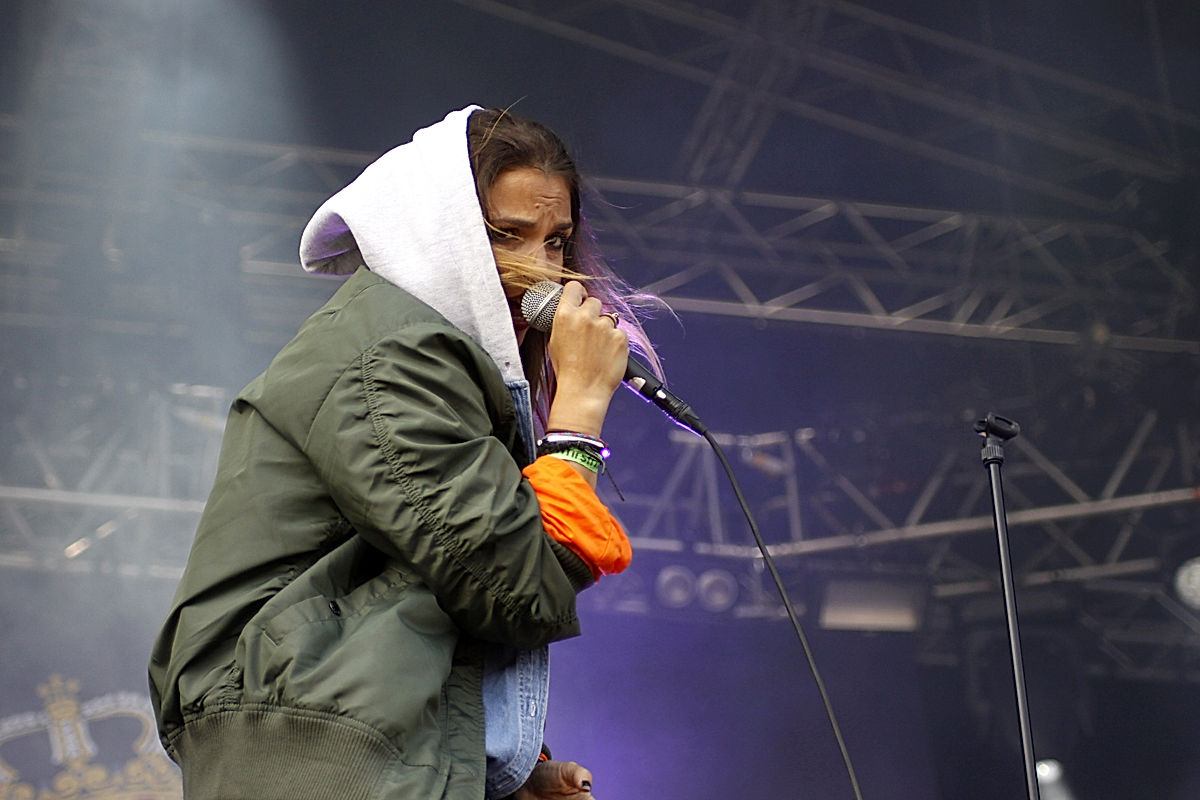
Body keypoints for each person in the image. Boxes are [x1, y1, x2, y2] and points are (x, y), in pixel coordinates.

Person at [148, 105, 662, 799]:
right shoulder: (393, 351)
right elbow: (515, 583)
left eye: (557, 242)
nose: (545, 275)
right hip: (316, 753)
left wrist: (501, 773)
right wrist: (576, 421)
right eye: (506, 236)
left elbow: (426, 596)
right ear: (437, 232)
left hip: (339, 748)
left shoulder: (432, 358)